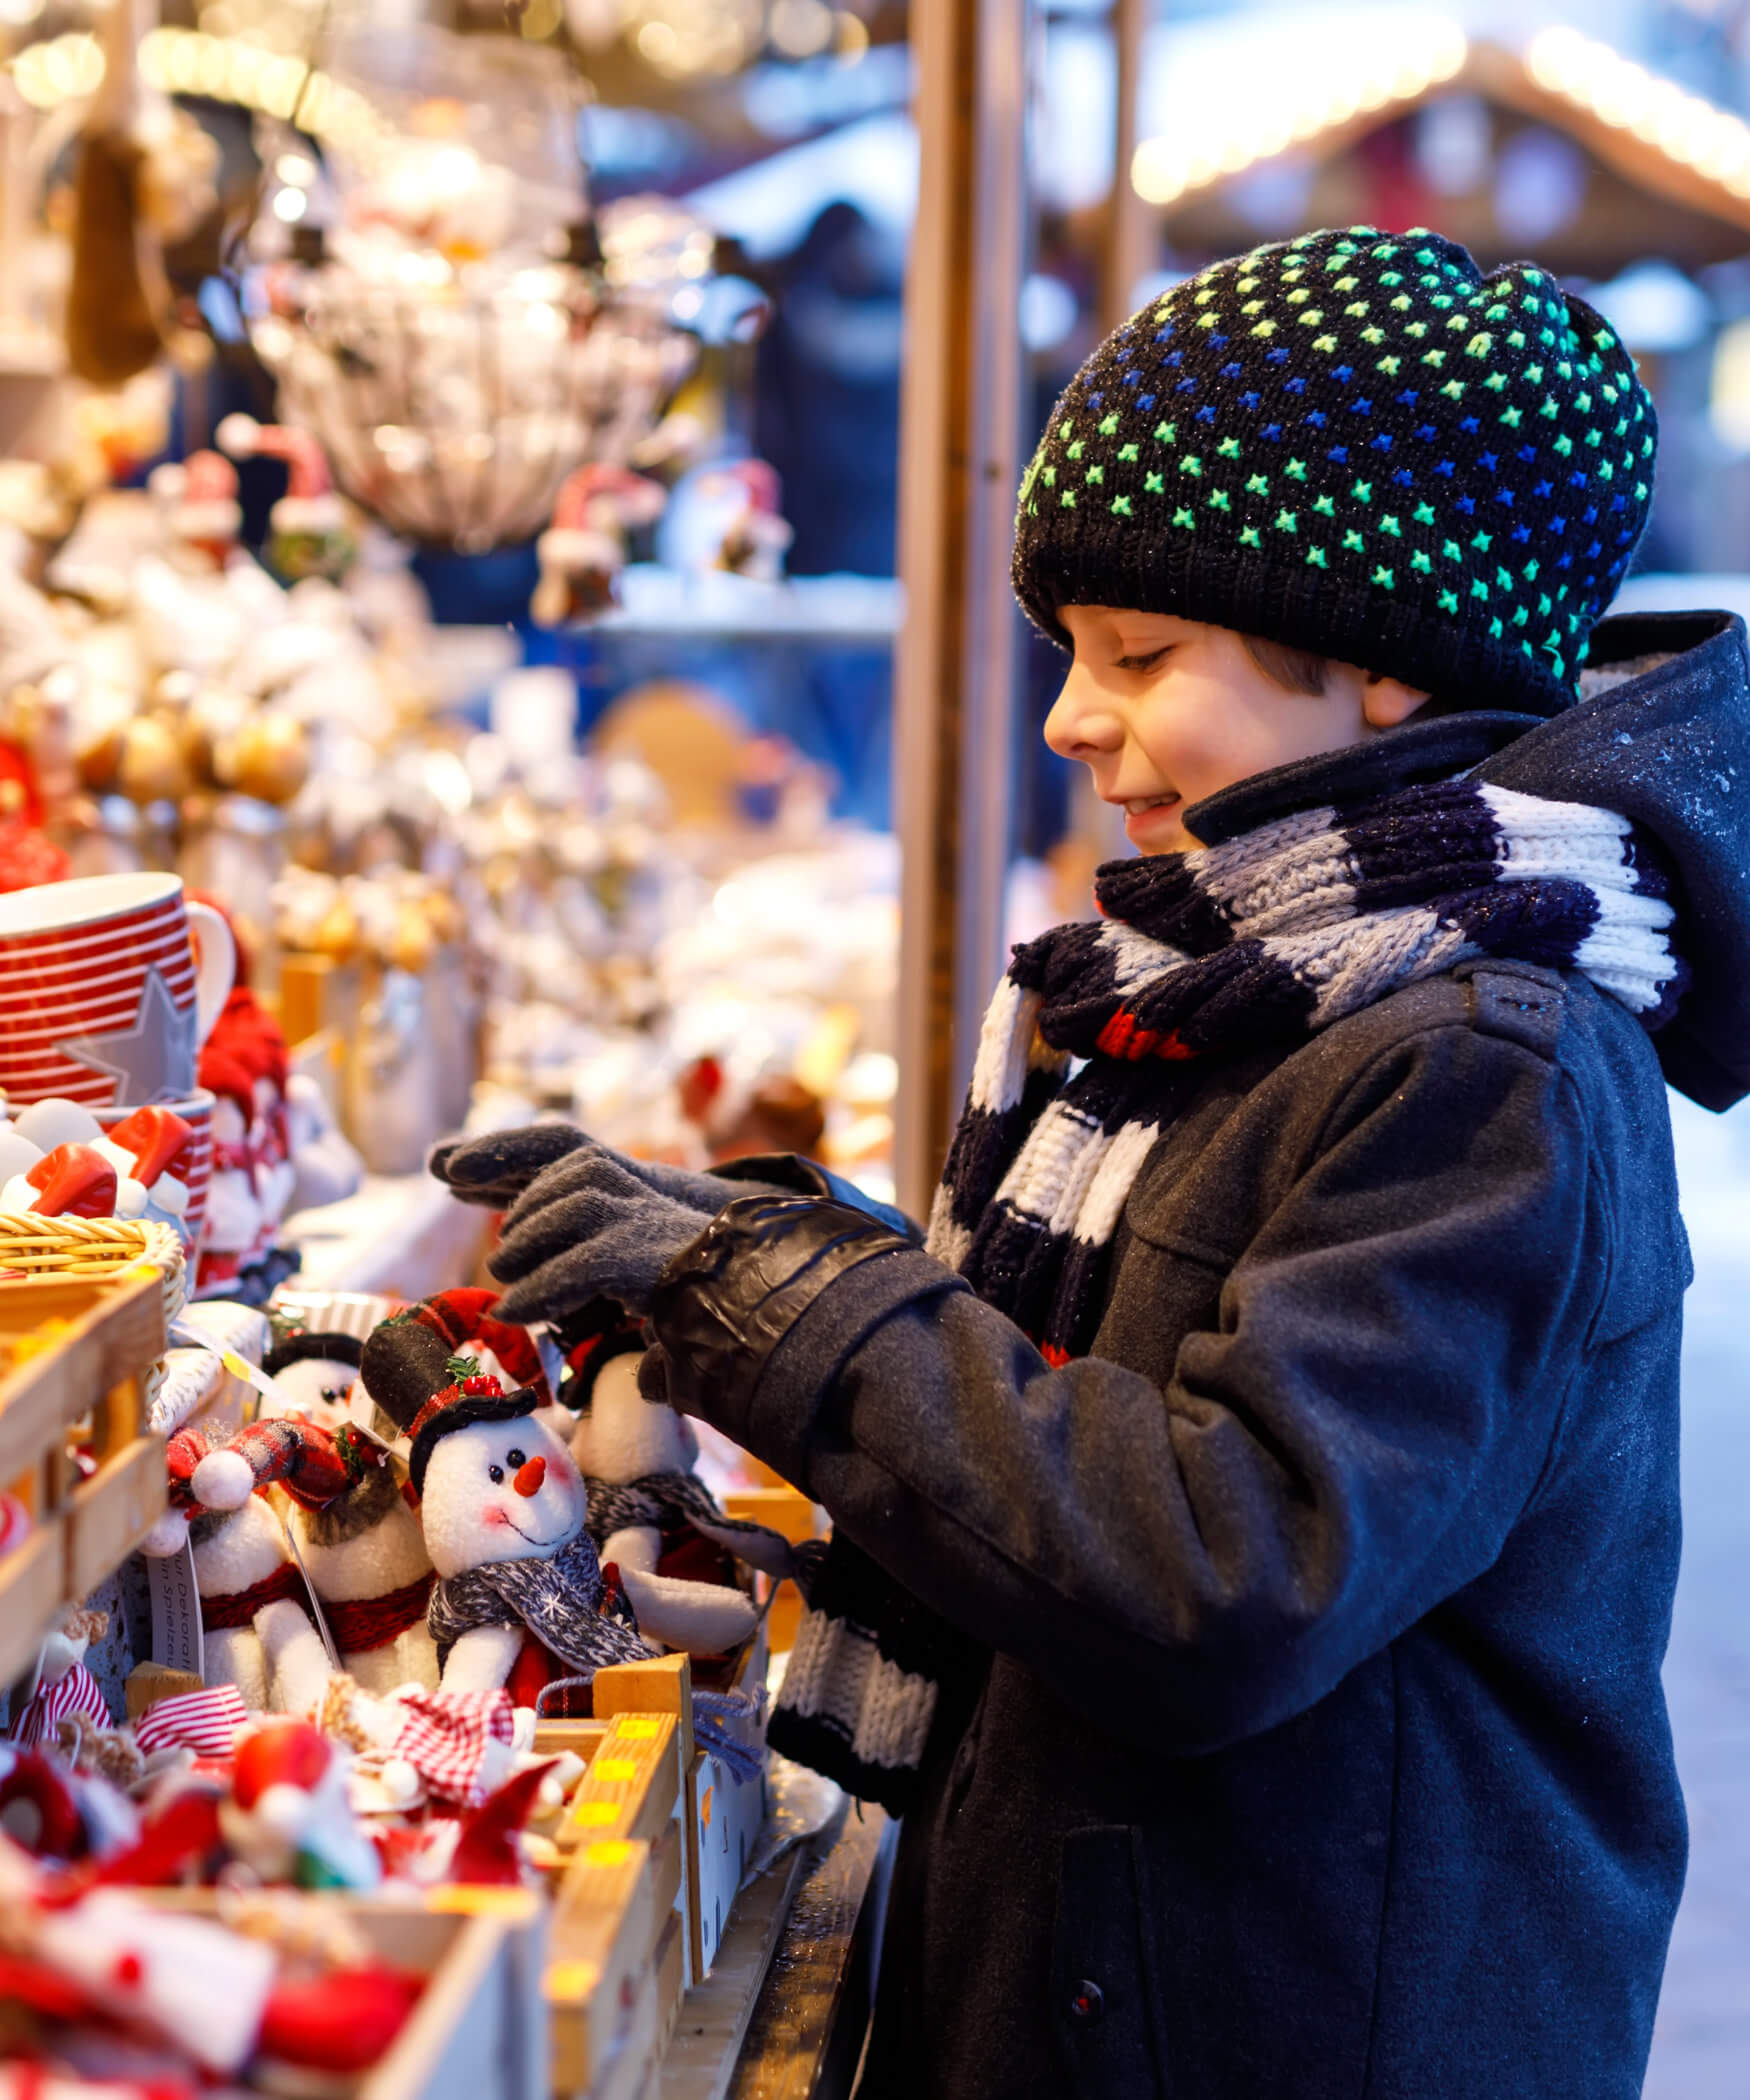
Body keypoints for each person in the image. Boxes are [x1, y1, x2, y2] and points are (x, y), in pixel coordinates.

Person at [432, 227, 1750, 2099]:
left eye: (1139, 654)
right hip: (1139, 1979)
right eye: (1071, 655)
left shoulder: (1475, 1060)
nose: (1068, 717)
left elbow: (1219, 1572)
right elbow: (1110, 1386)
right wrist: (763, 1243)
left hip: (1307, 2031)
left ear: (1381, 661)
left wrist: (801, 1312)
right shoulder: (1250, 988)